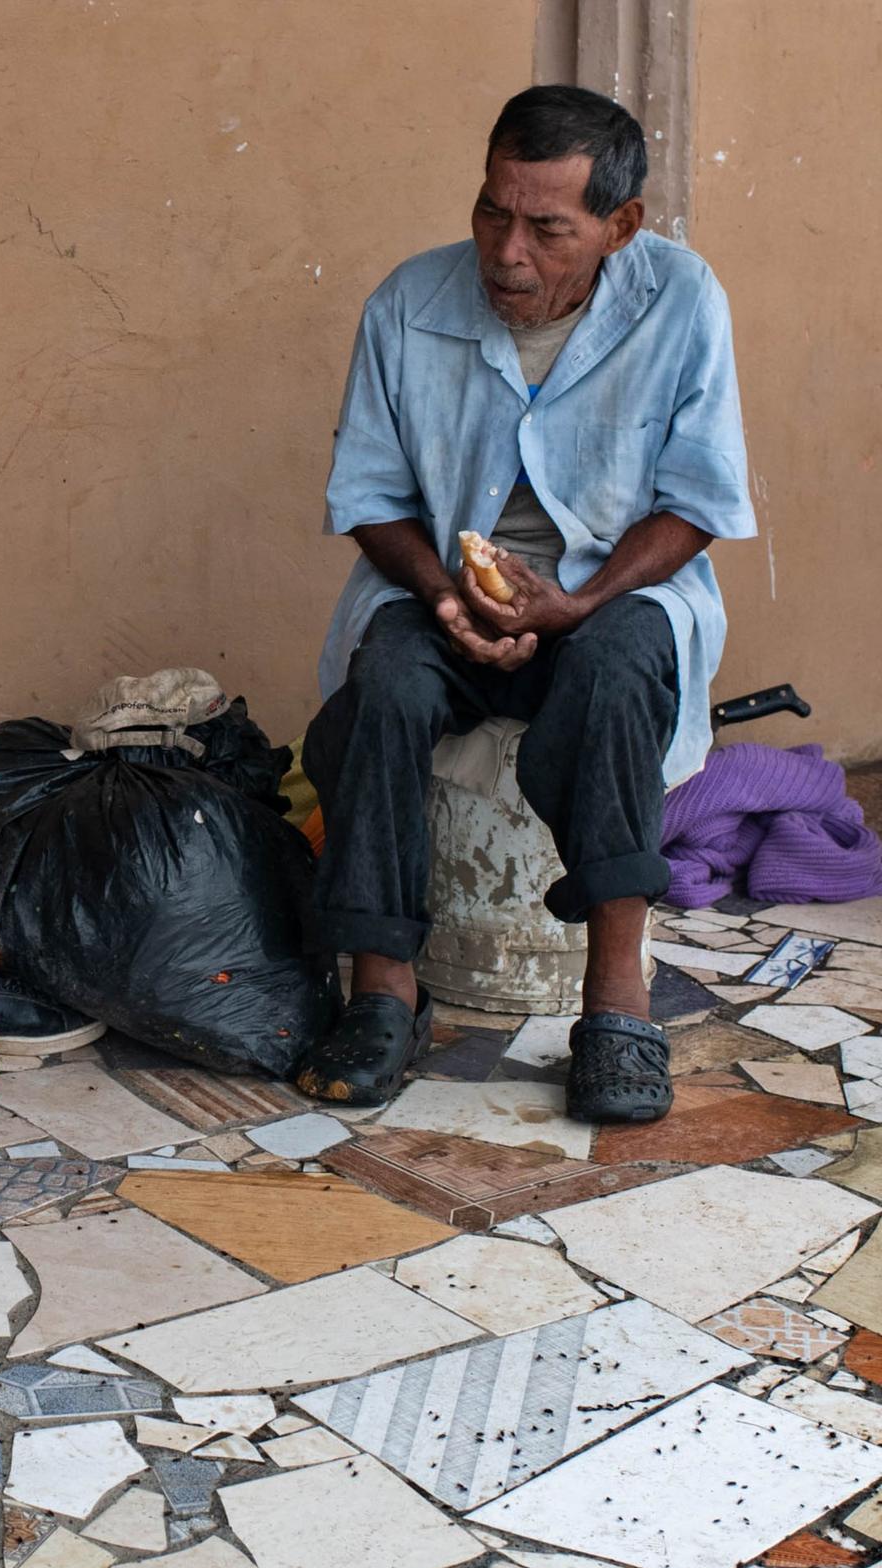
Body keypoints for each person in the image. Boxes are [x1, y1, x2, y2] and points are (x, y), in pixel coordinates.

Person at [298, 86, 753, 1121]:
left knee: (619, 663)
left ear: (617, 226)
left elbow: (696, 504)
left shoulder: (679, 301)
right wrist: (443, 593)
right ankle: (382, 990)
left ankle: (616, 1003)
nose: (507, 251)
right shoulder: (407, 304)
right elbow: (369, 498)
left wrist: (581, 600)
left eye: (546, 227)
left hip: (610, 592)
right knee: (389, 679)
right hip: (446, 590)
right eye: (491, 212)